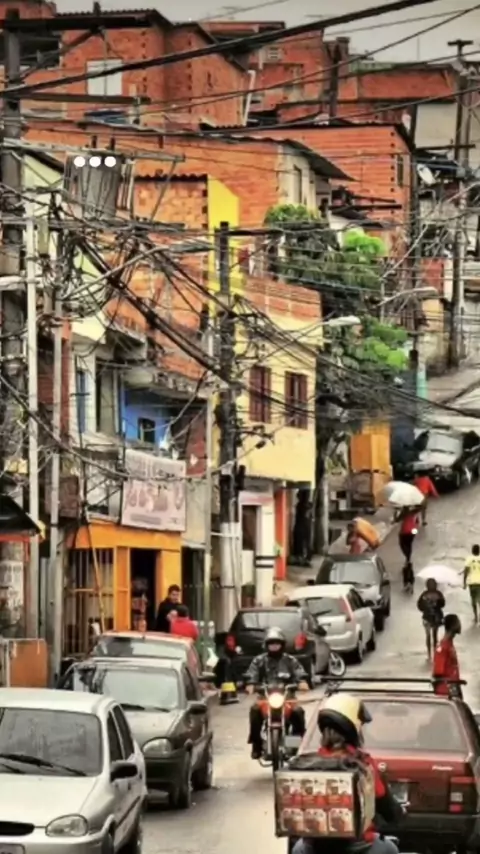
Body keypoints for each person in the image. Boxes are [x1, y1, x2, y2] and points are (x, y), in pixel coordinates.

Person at [292, 693, 402, 854]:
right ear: (353, 728)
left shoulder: (307, 764)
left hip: (313, 847)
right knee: (391, 849)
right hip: (358, 846)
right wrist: (397, 813)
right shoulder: (363, 764)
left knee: (297, 849)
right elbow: (386, 806)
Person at [245, 627, 309, 759]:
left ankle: (295, 745)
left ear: (282, 645)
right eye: (271, 643)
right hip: (265, 697)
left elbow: (299, 672)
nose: (274, 646)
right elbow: (252, 673)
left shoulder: (290, 660)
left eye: (277, 643)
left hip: (287, 698)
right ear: (266, 645)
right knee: (254, 710)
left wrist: (302, 681)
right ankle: (256, 744)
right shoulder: (259, 660)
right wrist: (251, 683)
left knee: (298, 712)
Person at [432, 613, 462, 698]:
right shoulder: (442, 648)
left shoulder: (449, 645)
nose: (460, 625)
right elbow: (438, 673)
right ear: (452, 626)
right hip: (446, 692)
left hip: (453, 689)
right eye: (458, 622)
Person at [417, 578, 445, 660]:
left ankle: (429, 654)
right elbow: (443, 604)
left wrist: (426, 607)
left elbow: (419, 605)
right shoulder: (438, 594)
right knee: (434, 636)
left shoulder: (424, 594)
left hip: (426, 617)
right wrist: (436, 603)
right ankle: (435, 653)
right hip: (436, 617)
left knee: (428, 635)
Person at [464, 544, 480, 623]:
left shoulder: (469, 559)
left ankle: (476, 617)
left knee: (473, 600)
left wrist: (464, 582)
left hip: (472, 583)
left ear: (472, 551)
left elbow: (466, 571)